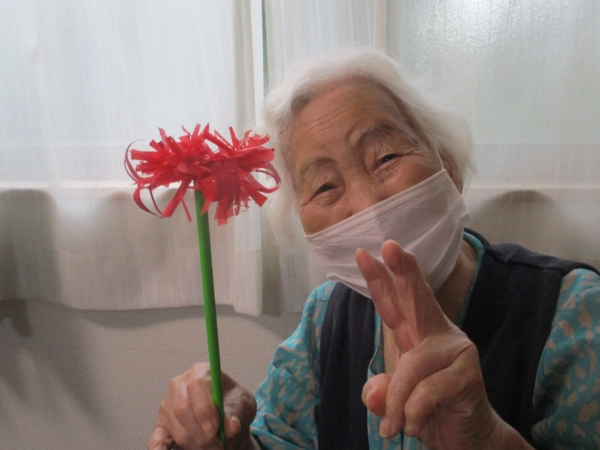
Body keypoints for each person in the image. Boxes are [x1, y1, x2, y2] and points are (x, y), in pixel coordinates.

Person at [148, 49, 600, 450]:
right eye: (325, 186)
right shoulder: (325, 319)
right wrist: (231, 440)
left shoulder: (571, 312)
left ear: (446, 163)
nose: (368, 206)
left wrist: (488, 442)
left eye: (386, 158)